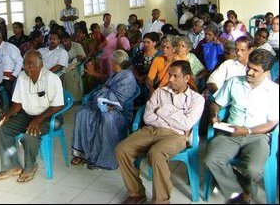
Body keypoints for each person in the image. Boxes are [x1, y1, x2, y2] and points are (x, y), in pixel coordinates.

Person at [115, 60, 205, 204]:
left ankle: (161, 201)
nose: (170, 79)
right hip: (151, 130)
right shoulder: (159, 92)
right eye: (170, 75)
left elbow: (187, 124)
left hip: (176, 136)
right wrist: (176, 116)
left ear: (187, 78)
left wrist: (161, 110)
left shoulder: (197, 99)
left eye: (175, 76)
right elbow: (148, 117)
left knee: (156, 153)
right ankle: (136, 193)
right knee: (121, 149)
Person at [204, 49, 278, 204]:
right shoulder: (234, 81)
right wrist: (214, 114)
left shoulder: (274, 91)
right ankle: (239, 192)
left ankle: (238, 186)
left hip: (257, 135)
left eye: (255, 70)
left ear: (266, 72)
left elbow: (271, 124)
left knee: (254, 170)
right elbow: (216, 103)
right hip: (230, 131)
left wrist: (248, 131)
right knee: (211, 159)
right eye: (248, 67)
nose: (249, 72)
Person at [0, 50, 64, 183]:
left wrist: (38, 119)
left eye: (30, 64)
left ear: (40, 64)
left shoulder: (51, 78)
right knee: (3, 128)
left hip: (50, 116)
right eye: (25, 64)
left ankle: (30, 167)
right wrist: (7, 114)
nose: (26, 67)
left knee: (30, 134)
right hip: (27, 114)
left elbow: (58, 105)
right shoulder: (22, 76)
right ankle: (12, 166)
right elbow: (18, 103)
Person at [71, 50, 138, 170]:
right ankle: (82, 152)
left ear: (117, 63)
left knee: (106, 118)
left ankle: (104, 158)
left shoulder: (127, 76)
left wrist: (106, 95)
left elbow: (122, 98)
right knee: (81, 113)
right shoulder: (116, 73)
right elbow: (107, 88)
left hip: (120, 112)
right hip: (104, 106)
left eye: (113, 63)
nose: (111, 66)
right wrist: (104, 93)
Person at [0, 31, 23, 103]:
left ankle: (12, 107)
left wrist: (14, 75)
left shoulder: (9, 47)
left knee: (8, 89)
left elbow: (20, 61)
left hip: (9, 76)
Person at [60, 31, 86, 102]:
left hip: (77, 68)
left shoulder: (77, 46)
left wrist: (79, 59)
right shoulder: (60, 47)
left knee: (67, 75)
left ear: (69, 39)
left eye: (66, 41)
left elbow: (84, 59)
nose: (64, 43)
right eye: (62, 42)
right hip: (65, 68)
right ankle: (66, 99)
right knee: (62, 74)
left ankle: (75, 99)